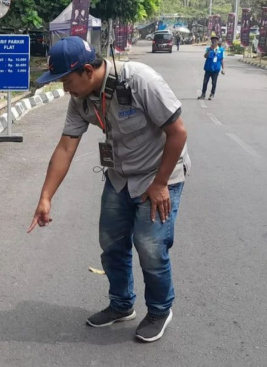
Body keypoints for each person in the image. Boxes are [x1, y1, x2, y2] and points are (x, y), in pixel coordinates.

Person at [28, 37, 190, 342]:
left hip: (159, 175)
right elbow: (65, 147)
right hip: (120, 176)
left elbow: (178, 133)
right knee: (111, 243)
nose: (64, 89)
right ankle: (121, 304)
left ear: (88, 70)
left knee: (150, 247)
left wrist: (160, 184)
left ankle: (159, 310)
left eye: (66, 80)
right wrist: (45, 197)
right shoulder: (81, 99)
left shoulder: (141, 81)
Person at [198, 35, 225, 100]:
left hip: (216, 69)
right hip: (208, 68)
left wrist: (223, 69)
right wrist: (209, 50)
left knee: (214, 83)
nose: (214, 42)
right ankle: (203, 94)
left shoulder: (220, 50)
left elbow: (221, 60)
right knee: (205, 82)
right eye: (212, 41)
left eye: (215, 41)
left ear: (217, 42)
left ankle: (212, 94)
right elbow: (205, 56)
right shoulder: (208, 49)